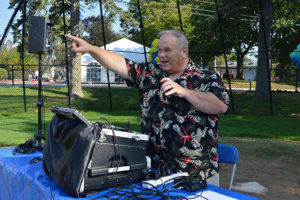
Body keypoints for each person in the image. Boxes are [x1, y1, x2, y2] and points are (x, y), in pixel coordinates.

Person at [66, 30, 229, 186]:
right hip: (154, 171)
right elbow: (119, 64)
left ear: (183, 52)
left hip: (196, 174)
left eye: (167, 50)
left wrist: (184, 92)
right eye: (159, 50)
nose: (161, 55)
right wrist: (90, 48)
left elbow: (220, 105)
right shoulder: (150, 73)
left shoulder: (206, 76)